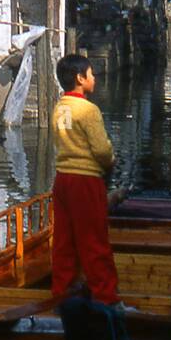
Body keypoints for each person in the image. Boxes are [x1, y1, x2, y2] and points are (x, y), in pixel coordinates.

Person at [50, 54, 119, 306]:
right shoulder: (88, 110)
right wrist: (111, 159)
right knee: (94, 241)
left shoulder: (59, 107)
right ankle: (106, 297)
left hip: (62, 179)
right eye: (91, 74)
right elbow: (101, 150)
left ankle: (62, 293)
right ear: (80, 79)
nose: (95, 78)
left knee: (64, 242)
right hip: (86, 180)